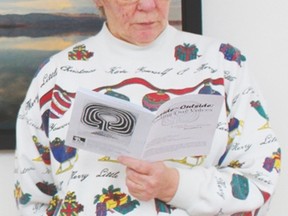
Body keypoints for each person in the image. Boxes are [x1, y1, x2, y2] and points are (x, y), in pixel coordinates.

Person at [14, 0, 281, 215]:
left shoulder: (224, 64)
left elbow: (260, 181)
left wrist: (175, 186)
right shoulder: (57, 74)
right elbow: (32, 197)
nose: (148, 5)